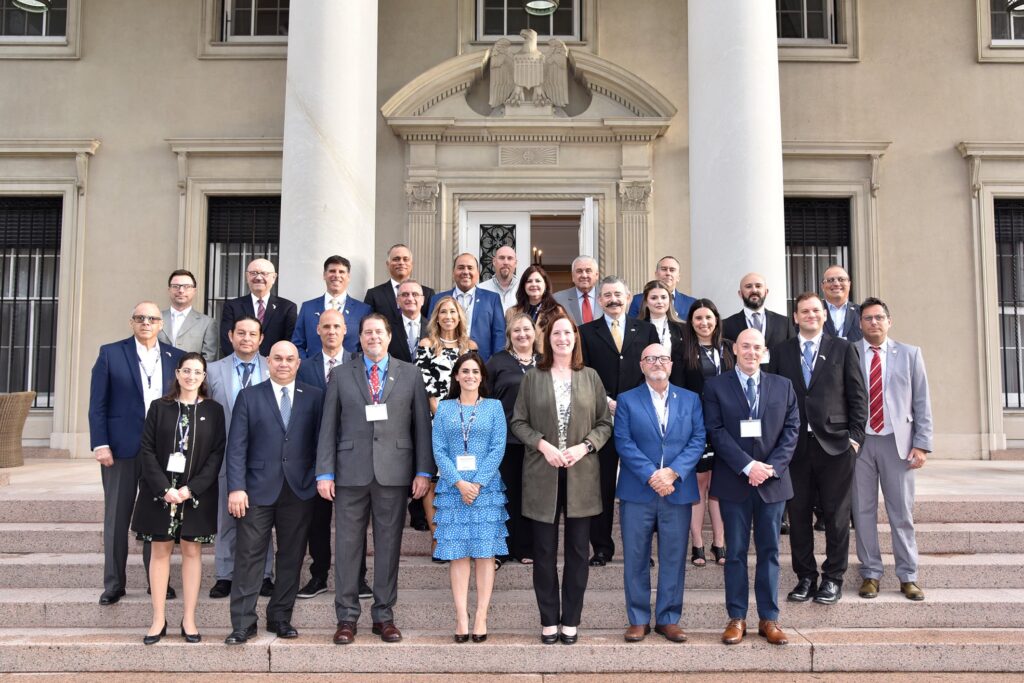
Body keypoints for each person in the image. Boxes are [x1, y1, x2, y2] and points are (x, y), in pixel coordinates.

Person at [316, 313, 434, 645]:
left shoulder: (409, 374)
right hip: (350, 473)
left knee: (388, 547)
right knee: (348, 547)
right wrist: (324, 472)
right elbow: (328, 427)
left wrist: (424, 470)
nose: (373, 337)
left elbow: (421, 427)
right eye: (367, 332)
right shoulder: (341, 374)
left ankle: (384, 616)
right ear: (360, 337)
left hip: (394, 474)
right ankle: (346, 618)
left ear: (389, 335)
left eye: (379, 332)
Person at [511, 315, 613, 645]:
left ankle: (571, 619)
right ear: (547, 339)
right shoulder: (533, 377)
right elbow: (519, 422)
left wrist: (584, 448)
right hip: (543, 474)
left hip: (581, 474)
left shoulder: (591, 377)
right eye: (556, 333)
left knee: (577, 553)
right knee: (543, 553)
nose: (562, 338)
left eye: (567, 332)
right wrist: (543, 445)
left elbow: (604, 424)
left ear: (575, 338)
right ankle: (548, 620)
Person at [767, 292, 868, 605]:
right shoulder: (781, 352)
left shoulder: (843, 348)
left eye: (816, 310)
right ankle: (806, 577)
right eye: (803, 311)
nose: (810, 315)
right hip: (794, 447)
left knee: (837, 516)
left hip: (836, 446)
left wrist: (854, 437)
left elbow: (857, 396)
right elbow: (773, 399)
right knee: (797, 516)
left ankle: (833, 578)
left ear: (824, 315)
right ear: (795, 317)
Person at [703, 328, 800, 646]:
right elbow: (715, 431)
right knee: (735, 554)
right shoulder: (716, 386)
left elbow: (791, 429)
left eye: (756, 347)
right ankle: (737, 618)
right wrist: (748, 466)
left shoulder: (782, 386)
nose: (751, 352)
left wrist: (769, 468)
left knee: (770, 552)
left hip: (772, 483)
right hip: (734, 481)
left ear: (765, 351)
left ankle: (769, 619)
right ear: (735, 349)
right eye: (745, 347)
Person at [223, 341, 324, 644]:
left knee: (291, 557)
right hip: (255, 491)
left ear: (298, 363)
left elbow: (321, 444)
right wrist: (236, 487)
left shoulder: (315, 398)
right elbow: (236, 447)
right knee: (249, 557)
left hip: (299, 490)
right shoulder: (249, 397)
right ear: (268, 362)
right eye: (278, 358)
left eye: (289, 359)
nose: (283, 363)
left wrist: (318, 478)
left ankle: (280, 617)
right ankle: (242, 623)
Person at [89, 301, 183, 606]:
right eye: (140, 318)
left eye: (152, 318)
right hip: (121, 449)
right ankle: (114, 583)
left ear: (160, 324)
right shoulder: (111, 353)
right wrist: (100, 442)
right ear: (132, 323)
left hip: (163, 452)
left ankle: (157, 581)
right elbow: (98, 403)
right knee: (117, 516)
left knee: (157, 517)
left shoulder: (175, 358)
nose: (146, 323)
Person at [131, 352, 226, 644]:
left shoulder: (214, 410)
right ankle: (158, 618)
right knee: (159, 552)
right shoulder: (160, 408)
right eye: (186, 371)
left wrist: (190, 489)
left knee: (191, 552)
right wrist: (164, 489)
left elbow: (215, 455)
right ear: (177, 373)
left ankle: (189, 618)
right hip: (160, 494)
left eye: (197, 372)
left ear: (204, 377)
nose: (191, 376)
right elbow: (146, 450)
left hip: (195, 495)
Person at [614, 343, 704, 643]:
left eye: (663, 358)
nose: (657, 363)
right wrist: (653, 475)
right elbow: (623, 442)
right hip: (638, 490)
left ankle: (668, 618)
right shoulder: (627, 400)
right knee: (636, 557)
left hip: (677, 490)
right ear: (641, 365)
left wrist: (673, 472)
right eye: (650, 358)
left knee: (674, 557)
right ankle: (638, 619)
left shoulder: (690, 400)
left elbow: (698, 439)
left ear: (671, 365)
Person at [853, 298, 933, 602]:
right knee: (862, 511)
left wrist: (922, 444)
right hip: (861, 443)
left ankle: (908, 576)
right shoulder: (850, 353)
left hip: (897, 443)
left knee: (901, 512)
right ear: (860, 323)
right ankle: (871, 573)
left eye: (879, 317)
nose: (874, 323)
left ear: (889, 321)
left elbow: (922, 400)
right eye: (868, 318)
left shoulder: (910, 354)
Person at [578, 276, 659, 566]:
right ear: (599, 300)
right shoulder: (585, 332)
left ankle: (641, 549)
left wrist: (634, 402)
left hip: (639, 416)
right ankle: (601, 547)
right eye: (607, 295)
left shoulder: (647, 330)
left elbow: (655, 369)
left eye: (618, 294)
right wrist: (606, 401)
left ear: (628, 297)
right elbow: (583, 373)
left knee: (640, 483)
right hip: (602, 417)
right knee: (602, 485)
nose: (613, 299)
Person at [295, 309, 371, 600]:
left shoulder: (360, 363)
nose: (331, 331)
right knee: (318, 520)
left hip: (355, 454)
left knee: (356, 520)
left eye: (336, 326)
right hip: (318, 454)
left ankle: (359, 578)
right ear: (317, 330)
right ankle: (319, 575)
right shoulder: (305, 367)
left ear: (345, 330)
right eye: (325, 326)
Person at [432, 352, 508, 642]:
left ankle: (481, 617)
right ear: (456, 376)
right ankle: (461, 616)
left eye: (475, 371)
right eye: (465, 371)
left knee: (485, 554)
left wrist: (475, 483)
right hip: (453, 490)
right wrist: (459, 483)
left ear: (482, 377)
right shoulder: (445, 407)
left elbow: (498, 447)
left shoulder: (494, 407)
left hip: (486, 490)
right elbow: (438, 449)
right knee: (459, 554)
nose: (470, 376)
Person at [206, 316, 275, 600]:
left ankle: (266, 574)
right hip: (224, 453)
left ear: (260, 340)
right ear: (231, 336)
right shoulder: (212, 371)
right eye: (241, 333)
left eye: (253, 334)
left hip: (264, 455)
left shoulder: (273, 367)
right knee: (226, 514)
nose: (247, 338)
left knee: (263, 515)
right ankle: (225, 574)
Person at [415, 296, 478, 560]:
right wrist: (447, 421)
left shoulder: (470, 346)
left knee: (459, 479)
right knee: (433, 481)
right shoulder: (427, 345)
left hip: (467, 423)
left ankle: (458, 537)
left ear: (460, 316)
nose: (448, 316)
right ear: (436, 317)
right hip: (437, 421)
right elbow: (425, 387)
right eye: (443, 312)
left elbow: (474, 381)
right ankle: (438, 537)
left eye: (453, 311)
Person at [677, 298, 735, 568]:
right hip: (696, 426)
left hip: (726, 426)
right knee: (700, 484)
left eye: (708, 318)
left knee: (720, 485)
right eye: (698, 318)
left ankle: (720, 542)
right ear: (691, 322)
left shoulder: (728, 349)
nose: (704, 323)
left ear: (716, 320)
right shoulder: (682, 351)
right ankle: (698, 543)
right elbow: (677, 391)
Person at [486, 312, 541, 564]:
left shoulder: (545, 362)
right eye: (516, 330)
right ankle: (501, 548)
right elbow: (484, 399)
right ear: (509, 335)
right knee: (504, 494)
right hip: (504, 440)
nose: (522, 334)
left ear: (535, 333)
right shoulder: (498, 362)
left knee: (530, 494)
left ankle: (526, 547)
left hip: (538, 441)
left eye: (527, 329)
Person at [430, 253, 505, 360]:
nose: (465, 272)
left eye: (470, 268)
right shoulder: (436, 300)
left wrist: (496, 364)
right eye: (461, 268)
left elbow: (499, 335)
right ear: (453, 272)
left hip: (482, 365)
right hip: (444, 363)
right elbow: (431, 331)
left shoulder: (492, 299)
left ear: (478, 273)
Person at [293, 255, 371, 357]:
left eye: (341, 272)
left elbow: (367, 345)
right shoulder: (307, 308)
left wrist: (355, 366)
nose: (337, 275)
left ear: (348, 277)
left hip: (350, 370)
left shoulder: (363, 310)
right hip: (314, 371)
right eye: (332, 271)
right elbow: (297, 345)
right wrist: (308, 366)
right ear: (324, 275)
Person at [219, 258, 297, 357]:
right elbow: (227, 340)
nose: (259, 277)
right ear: (247, 276)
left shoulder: (287, 308)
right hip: (240, 366)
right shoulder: (232, 306)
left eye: (264, 273)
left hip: (273, 367)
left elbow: (290, 342)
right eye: (253, 273)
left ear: (274, 277)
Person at [363, 243, 435, 329]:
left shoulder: (427, 293)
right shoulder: (374, 294)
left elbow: (432, 326)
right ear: (387, 264)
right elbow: (367, 325)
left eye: (405, 259)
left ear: (411, 264)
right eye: (396, 259)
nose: (401, 262)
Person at [721, 272, 795, 353]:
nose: (754, 290)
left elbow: (792, 354)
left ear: (766, 292)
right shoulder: (726, 325)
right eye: (748, 286)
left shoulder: (784, 323)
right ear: (740, 294)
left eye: (758, 286)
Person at [158, 269, 218, 362]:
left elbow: (208, 359)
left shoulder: (207, 323)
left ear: (194, 291)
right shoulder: (155, 318)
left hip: (191, 375)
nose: (181, 290)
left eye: (186, 286)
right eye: (176, 286)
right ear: (169, 290)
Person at [507, 264, 563, 352]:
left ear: (545, 285)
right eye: (529, 281)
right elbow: (508, 342)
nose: (533, 284)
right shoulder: (511, 312)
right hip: (518, 362)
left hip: (546, 362)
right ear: (523, 286)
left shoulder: (556, 311)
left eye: (538, 281)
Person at [627, 256, 697, 319]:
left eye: (672, 270)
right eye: (664, 269)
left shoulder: (691, 303)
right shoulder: (638, 300)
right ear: (656, 274)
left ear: (678, 277)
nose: (668, 273)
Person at [636, 280, 686, 362]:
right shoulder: (635, 328)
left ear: (669, 301)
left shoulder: (682, 328)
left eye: (663, 297)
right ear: (646, 302)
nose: (659, 301)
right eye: (654, 298)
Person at [552, 256, 602, 325]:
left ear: (597, 275)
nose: (584, 275)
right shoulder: (558, 299)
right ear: (572, 276)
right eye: (579, 271)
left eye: (588, 271)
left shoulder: (606, 297)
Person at [821, 264, 863, 342]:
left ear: (849, 284)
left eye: (841, 279)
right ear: (822, 286)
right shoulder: (813, 312)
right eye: (830, 280)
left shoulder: (862, 312)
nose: (836, 284)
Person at [478, 245, 519, 312]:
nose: (506, 262)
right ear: (494, 261)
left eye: (510, 258)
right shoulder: (481, 289)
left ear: (516, 263)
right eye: (502, 258)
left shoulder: (523, 288)